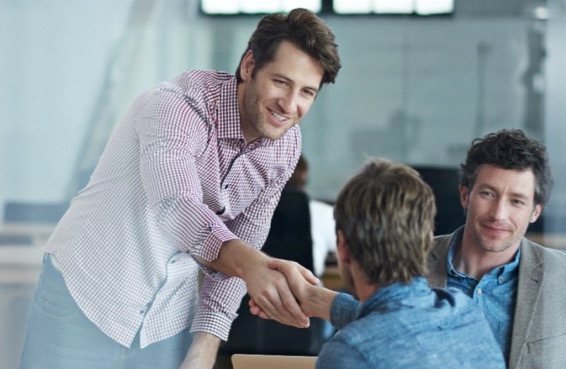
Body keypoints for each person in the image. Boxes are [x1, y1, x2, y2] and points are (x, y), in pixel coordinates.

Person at [18, 8, 342, 368]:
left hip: (164, 320)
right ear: (249, 65)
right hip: (86, 298)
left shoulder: (284, 146)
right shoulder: (176, 105)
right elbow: (176, 207)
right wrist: (254, 266)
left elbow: (244, 242)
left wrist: (205, 346)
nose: (290, 104)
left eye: (307, 92)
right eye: (281, 82)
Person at [257, 129, 566, 368]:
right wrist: (312, 298)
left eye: (516, 201)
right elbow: (391, 323)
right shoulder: (412, 254)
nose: (498, 213)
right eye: (488, 194)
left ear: (535, 211)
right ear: (465, 194)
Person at [314, 159, 503, 368]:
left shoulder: (350, 352)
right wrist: (312, 298)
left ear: (343, 246)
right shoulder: (465, 313)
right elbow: (397, 320)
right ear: (426, 241)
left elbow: (387, 326)